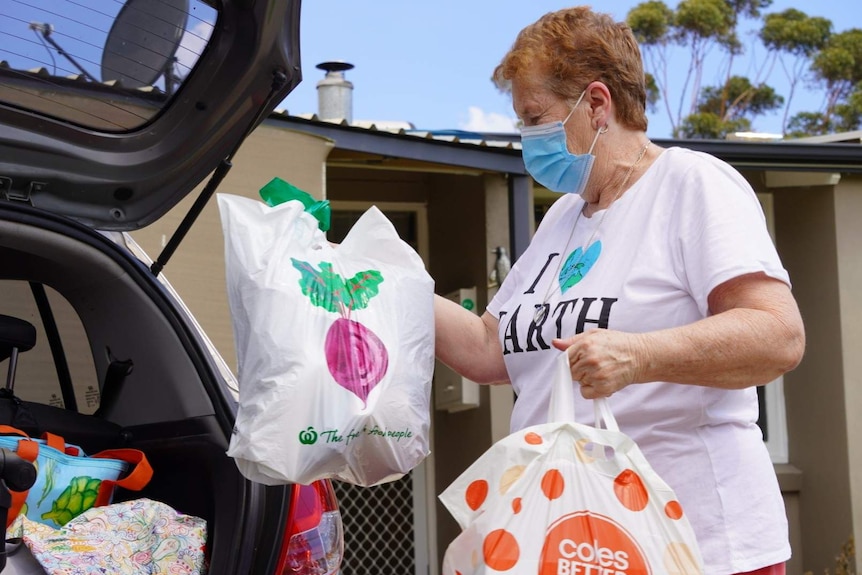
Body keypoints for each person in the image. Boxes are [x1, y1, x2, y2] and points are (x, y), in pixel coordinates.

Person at [434, 6, 806, 575]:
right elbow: (491, 348)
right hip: (578, 541)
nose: (526, 139)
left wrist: (637, 354)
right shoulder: (563, 217)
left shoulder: (691, 183)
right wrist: (395, 285)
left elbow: (777, 336)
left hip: (697, 544)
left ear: (598, 105)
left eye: (535, 117)